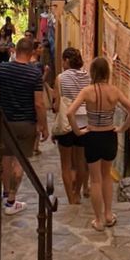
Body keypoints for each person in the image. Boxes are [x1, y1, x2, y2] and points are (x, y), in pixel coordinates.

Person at [66, 56, 130, 232]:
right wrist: (122, 128)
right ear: (107, 72)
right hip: (109, 136)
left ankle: (98, 220)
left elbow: (70, 113)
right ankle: (108, 214)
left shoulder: (87, 91)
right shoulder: (114, 92)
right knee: (107, 176)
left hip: (92, 136)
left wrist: (77, 131)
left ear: (92, 72)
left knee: (95, 180)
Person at [0, 36, 49, 215]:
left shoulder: (3, 69)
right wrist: (43, 126)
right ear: (31, 53)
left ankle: (6, 193)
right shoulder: (34, 74)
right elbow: (39, 103)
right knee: (20, 160)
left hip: (6, 122)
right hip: (26, 123)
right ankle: (11, 199)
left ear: (15, 50)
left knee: (6, 158)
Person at [52, 47, 90, 204]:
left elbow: (56, 105)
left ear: (67, 60)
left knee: (66, 164)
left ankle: (71, 197)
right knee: (81, 162)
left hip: (67, 124)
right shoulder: (88, 77)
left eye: (63, 60)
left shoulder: (60, 78)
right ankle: (77, 191)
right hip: (84, 125)